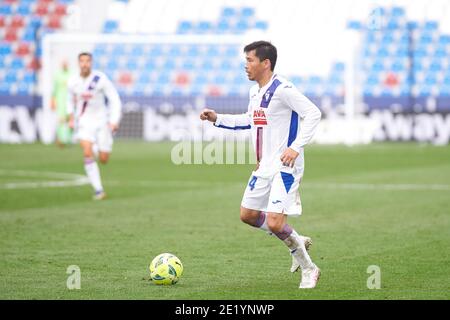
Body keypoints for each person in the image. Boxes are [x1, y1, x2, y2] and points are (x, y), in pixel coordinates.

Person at [200, 41, 322, 288]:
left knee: (276, 223)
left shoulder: (283, 89)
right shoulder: (255, 92)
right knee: (248, 215)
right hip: (264, 166)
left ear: (265, 63)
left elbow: (313, 113)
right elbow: (251, 122)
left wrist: (295, 147)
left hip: (285, 167)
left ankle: (309, 268)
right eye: (246, 60)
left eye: (250, 60)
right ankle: (296, 238)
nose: (246, 65)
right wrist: (217, 119)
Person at [67, 52, 122, 200]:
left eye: (87, 61)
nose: (85, 64)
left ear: (91, 63)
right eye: (82, 61)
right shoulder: (72, 81)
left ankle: (98, 148)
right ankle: (98, 190)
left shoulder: (100, 79)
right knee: (86, 152)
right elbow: (70, 101)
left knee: (104, 158)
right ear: (78, 63)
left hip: (102, 121)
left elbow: (114, 98)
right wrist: (71, 117)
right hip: (84, 121)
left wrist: (114, 119)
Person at [51, 60, 72, 147]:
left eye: (66, 63)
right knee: (61, 120)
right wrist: (52, 100)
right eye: (63, 63)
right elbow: (54, 89)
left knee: (70, 120)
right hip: (60, 101)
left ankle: (68, 139)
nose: (64, 65)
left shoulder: (72, 74)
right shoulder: (57, 74)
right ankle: (60, 139)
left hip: (71, 100)